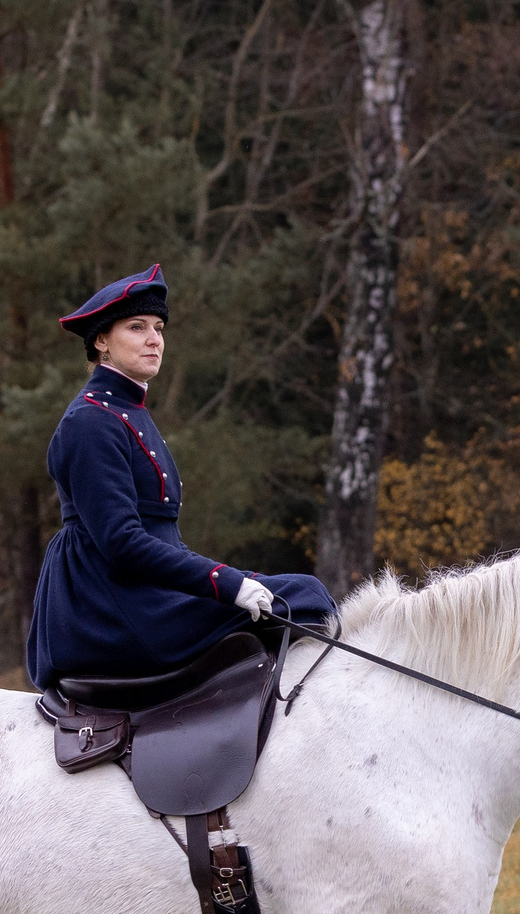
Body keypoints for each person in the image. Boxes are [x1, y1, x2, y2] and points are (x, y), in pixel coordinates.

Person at [25, 265, 333, 691]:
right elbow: (122, 542)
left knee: (304, 593)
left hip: (144, 591)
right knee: (302, 597)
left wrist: (231, 578)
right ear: (101, 341)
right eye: (137, 327)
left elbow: (165, 538)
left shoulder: (129, 412)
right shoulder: (90, 422)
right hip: (110, 606)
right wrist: (225, 582)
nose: (154, 339)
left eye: (159, 328)